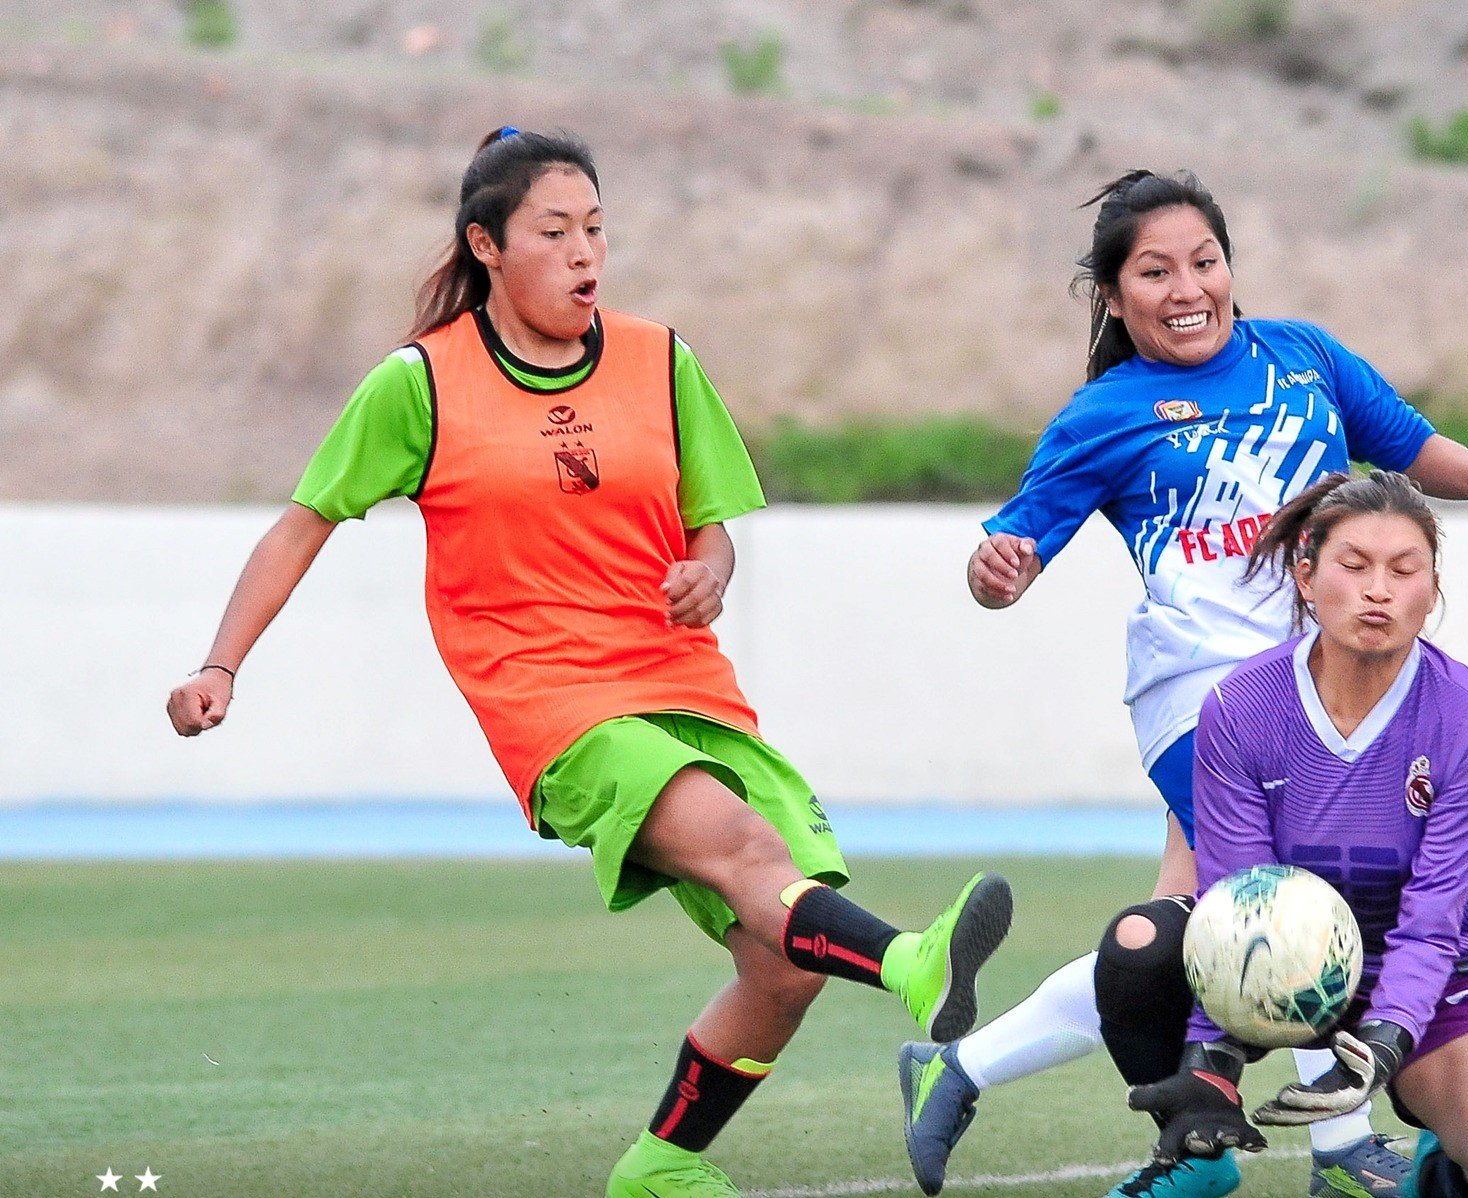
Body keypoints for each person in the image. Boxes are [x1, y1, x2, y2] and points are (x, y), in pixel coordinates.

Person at [163, 127, 1012, 1198]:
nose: (584, 253)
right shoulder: (421, 382)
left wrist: (711, 570)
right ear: (487, 245)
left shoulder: (662, 358)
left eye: (597, 229)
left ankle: (659, 1164)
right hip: (552, 704)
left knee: (784, 958)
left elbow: (713, 527)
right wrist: (221, 665)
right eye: (554, 232)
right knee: (746, 844)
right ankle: (909, 962)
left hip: (687, 687)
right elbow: (300, 525)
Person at [899, 170, 1468, 1198]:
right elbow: (1013, 542)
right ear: (1114, 296)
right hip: (1203, 695)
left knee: (1173, 940)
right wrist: (995, 569)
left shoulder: (1302, 357)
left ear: (1231, 268)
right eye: (1154, 271)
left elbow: (1404, 438)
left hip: (1325, 685)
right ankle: (1339, 1148)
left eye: (1203, 260)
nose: (1185, 286)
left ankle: (963, 1066)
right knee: (1283, 904)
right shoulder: (1106, 412)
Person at [1109, 468, 1468, 1198]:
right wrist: (1210, 1060)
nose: (1378, 589)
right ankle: (1194, 1152)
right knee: (1138, 945)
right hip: (1284, 962)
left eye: (1403, 570)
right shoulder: (1240, 705)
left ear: (1431, 589)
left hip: (1432, 977)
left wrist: (1385, 1044)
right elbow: (1235, 900)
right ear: (1306, 577)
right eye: (1353, 566)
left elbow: (1433, 920)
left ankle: (1435, 1164)